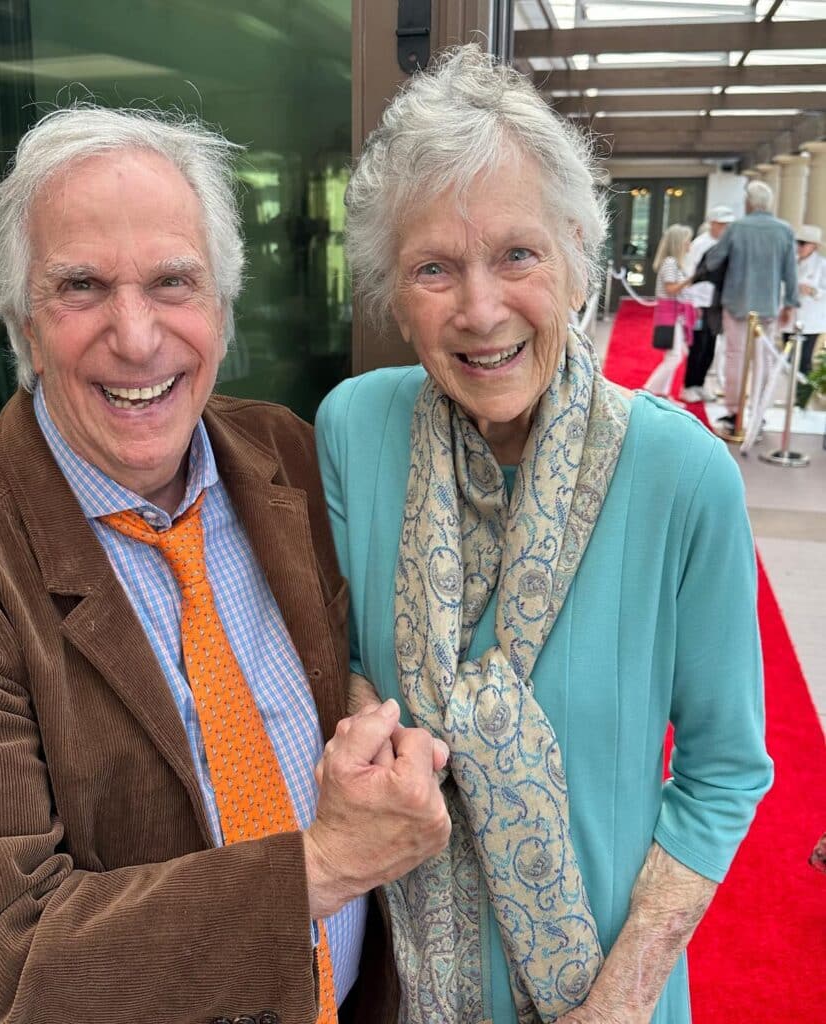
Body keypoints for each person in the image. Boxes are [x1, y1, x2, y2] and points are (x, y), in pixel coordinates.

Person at [0, 107, 453, 1024]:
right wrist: (321, 869)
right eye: (81, 286)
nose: (136, 337)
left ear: (221, 306)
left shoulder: (282, 454)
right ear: (22, 323)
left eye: (173, 282)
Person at [316, 46, 773, 1024]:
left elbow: (724, 766)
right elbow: (346, 664)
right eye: (433, 266)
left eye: (515, 255)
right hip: (404, 988)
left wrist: (617, 1002)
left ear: (575, 253)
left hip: (606, 994)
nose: (479, 310)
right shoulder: (352, 429)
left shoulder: (681, 475)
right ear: (393, 291)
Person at [702, 180, 798, 433]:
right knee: (763, 360)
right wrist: (790, 303)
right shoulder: (784, 230)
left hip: (736, 302)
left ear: (748, 203)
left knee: (734, 357)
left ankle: (735, 412)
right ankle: (759, 410)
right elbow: (791, 270)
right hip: (768, 305)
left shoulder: (737, 228)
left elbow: (713, 260)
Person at [680, 206, 735, 402]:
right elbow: (689, 274)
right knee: (698, 345)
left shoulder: (727, 244)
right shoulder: (700, 244)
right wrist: (693, 303)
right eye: (722, 224)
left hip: (716, 303)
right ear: (712, 223)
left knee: (711, 345)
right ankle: (689, 386)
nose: (726, 228)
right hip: (699, 304)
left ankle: (700, 384)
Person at [643, 223, 695, 400]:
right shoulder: (671, 263)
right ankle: (648, 390)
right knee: (674, 356)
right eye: (688, 241)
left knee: (672, 355)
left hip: (674, 315)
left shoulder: (674, 263)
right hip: (670, 315)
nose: (690, 245)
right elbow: (671, 288)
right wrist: (690, 280)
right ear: (679, 243)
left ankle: (662, 394)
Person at [783, 223, 826, 378]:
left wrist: (813, 291)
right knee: (785, 360)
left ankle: (801, 400)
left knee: (805, 362)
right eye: (797, 242)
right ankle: (788, 397)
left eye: (802, 243)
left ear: (813, 246)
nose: (798, 247)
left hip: (811, 321)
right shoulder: (790, 262)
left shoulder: (822, 265)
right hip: (789, 319)